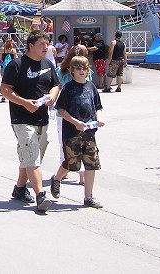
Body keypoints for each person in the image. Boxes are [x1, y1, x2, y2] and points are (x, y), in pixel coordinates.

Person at [0, 29, 60, 213]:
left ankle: (19, 189)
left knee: (32, 156)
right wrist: (24, 103)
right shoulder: (16, 65)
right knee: (33, 155)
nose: (46, 47)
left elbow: (56, 85)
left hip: (42, 118)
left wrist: (51, 96)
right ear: (31, 46)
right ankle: (40, 195)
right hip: (21, 118)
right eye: (42, 44)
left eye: (47, 43)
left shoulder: (48, 64)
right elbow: (4, 89)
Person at [50, 55, 105, 208]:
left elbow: (98, 106)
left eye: (84, 68)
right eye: (78, 68)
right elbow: (61, 110)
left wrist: (99, 118)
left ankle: (88, 197)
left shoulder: (91, 86)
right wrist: (75, 122)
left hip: (89, 133)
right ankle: (57, 178)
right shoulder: (68, 88)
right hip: (72, 132)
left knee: (91, 163)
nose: (81, 71)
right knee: (71, 164)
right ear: (72, 71)